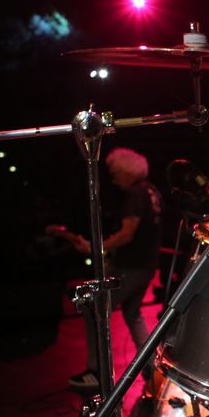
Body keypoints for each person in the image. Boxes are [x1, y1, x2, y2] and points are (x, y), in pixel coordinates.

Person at [68, 147, 163, 390]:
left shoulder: (135, 194)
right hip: (146, 265)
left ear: (127, 170)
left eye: (115, 173)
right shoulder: (151, 190)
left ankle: (97, 372)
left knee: (94, 309)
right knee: (133, 313)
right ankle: (151, 366)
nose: (113, 179)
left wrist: (96, 248)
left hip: (130, 267)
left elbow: (127, 234)